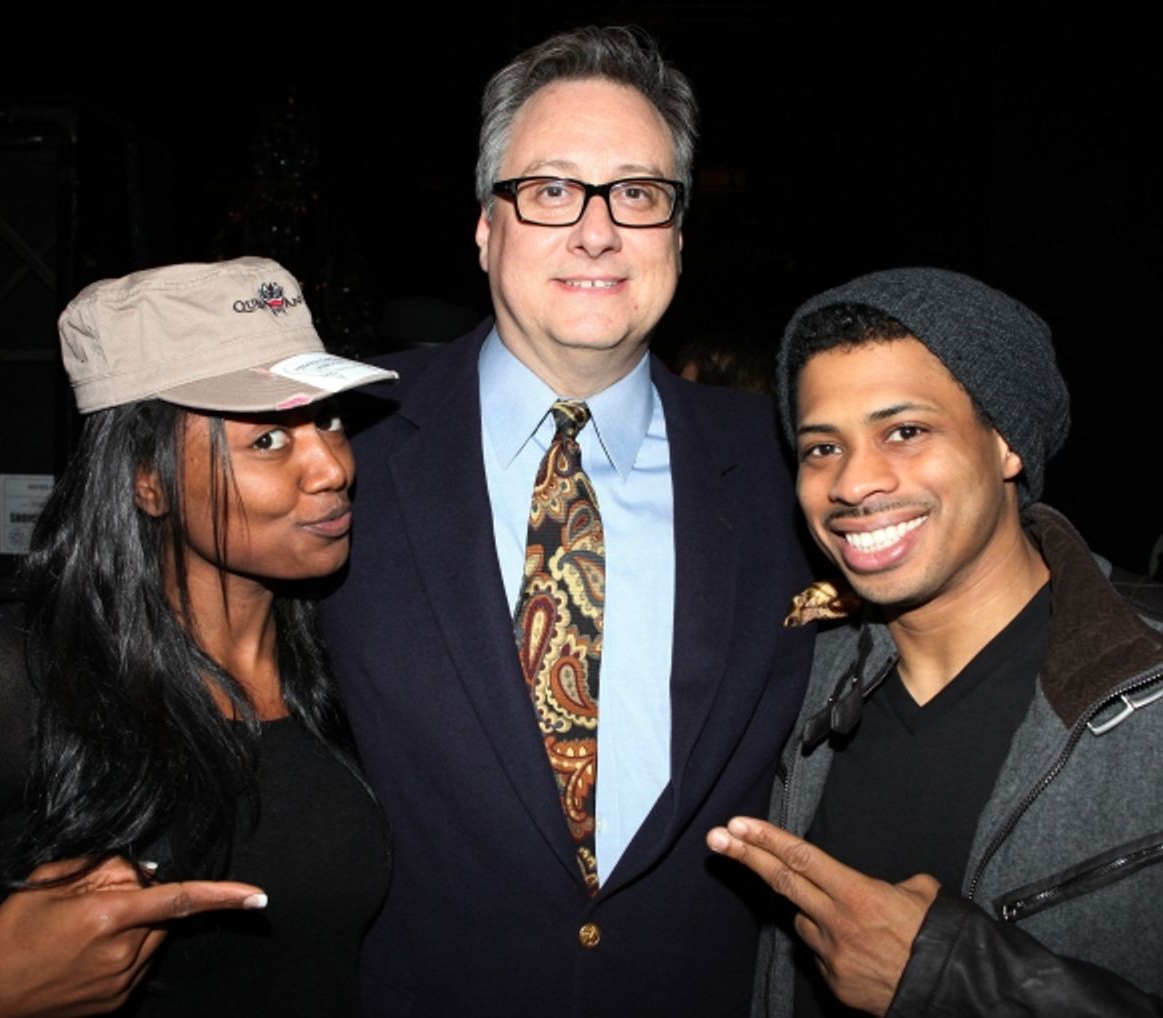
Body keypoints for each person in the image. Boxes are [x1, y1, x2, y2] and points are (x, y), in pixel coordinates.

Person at [321, 24, 814, 1018]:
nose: (597, 231)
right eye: (549, 191)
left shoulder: (788, 463)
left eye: (636, 193)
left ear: (677, 232)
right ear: (483, 227)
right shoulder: (342, 445)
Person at [706, 267, 1163, 1015]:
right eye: (822, 448)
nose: (853, 482)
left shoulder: (1143, 688)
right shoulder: (794, 685)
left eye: (906, 432)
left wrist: (952, 981)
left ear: (1007, 445)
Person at [0, 257, 396, 1016]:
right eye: (267, 441)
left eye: (328, 417)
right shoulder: (11, 678)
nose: (330, 465)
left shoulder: (349, 659)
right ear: (146, 479)